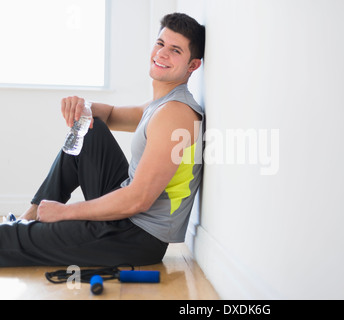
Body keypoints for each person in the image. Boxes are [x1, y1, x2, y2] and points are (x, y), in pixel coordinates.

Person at [0, 13, 205, 267]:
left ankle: (28, 226)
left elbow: (139, 199)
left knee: (8, 240)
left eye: (175, 50)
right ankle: (31, 216)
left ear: (192, 65)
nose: (162, 54)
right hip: (127, 220)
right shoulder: (161, 106)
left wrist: (66, 213)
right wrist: (81, 105)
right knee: (90, 130)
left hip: (135, 236)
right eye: (161, 44)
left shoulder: (176, 114)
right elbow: (108, 115)